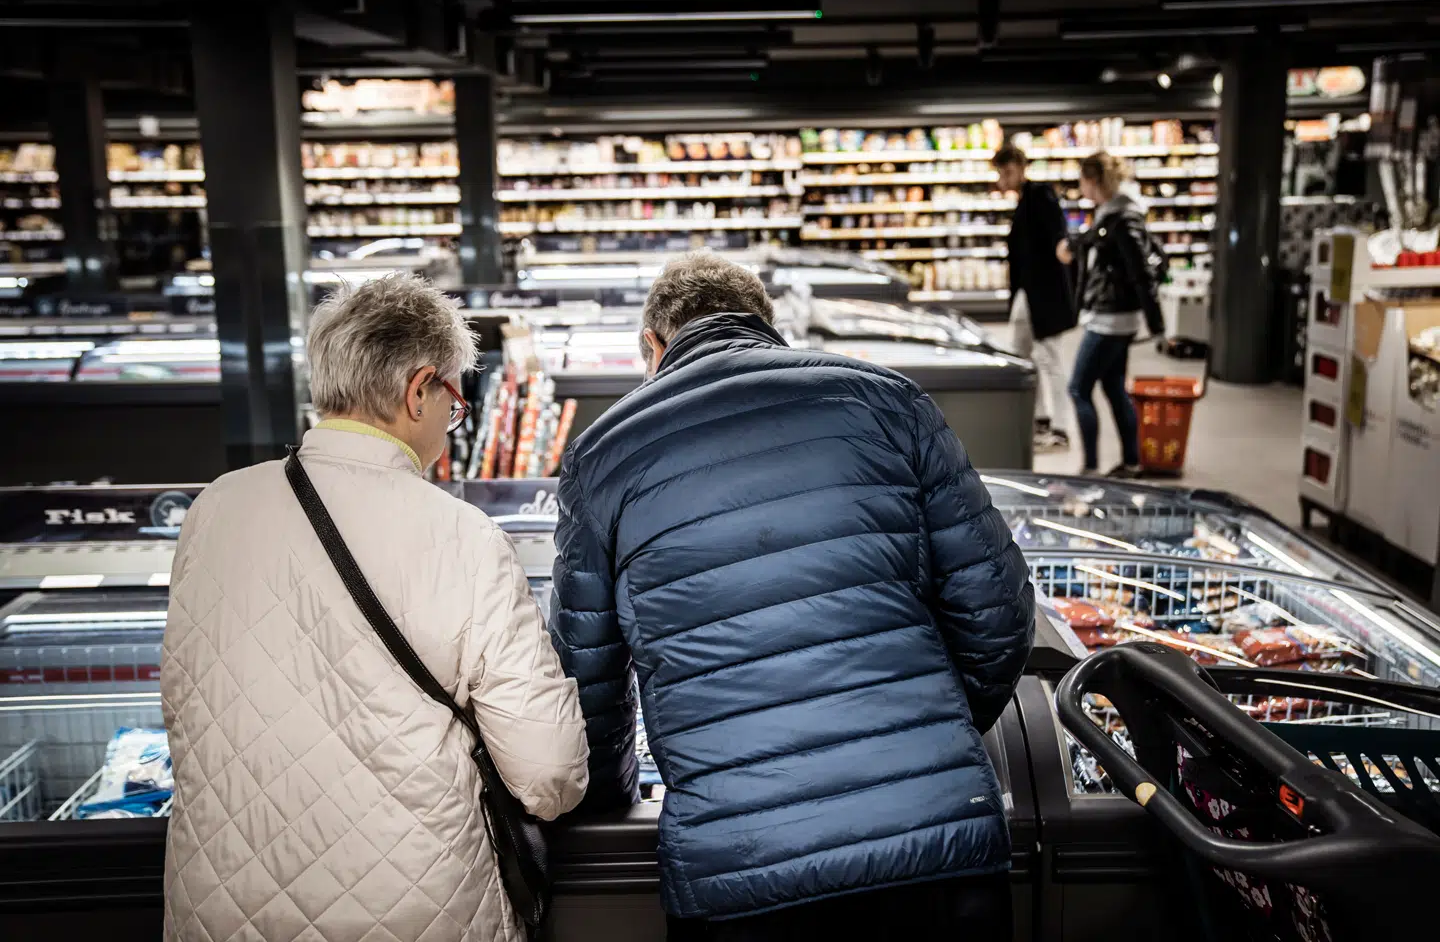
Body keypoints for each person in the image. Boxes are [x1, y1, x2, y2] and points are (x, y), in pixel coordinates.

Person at [548, 252, 1035, 940]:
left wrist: (613, 803)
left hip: (738, 865)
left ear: (652, 347)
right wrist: (926, 737)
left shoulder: (602, 456)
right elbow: (999, 616)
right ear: (765, 327)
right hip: (931, 846)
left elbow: (587, 681)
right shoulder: (890, 399)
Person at [161, 274, 589, 942]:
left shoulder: (215, 508)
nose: (453, 422)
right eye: (454, 401)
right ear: (420, 389)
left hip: (221, 906)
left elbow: (184, 709)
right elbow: (548, 773)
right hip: (416, 911)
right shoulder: (462, 535)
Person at [1060, 152, 1165, 479]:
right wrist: (1075, 245)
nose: (1079, 186)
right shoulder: (1112, 214)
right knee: (1114, 388)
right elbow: (1099, 244)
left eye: (1082, 179)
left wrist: (1159, 326)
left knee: (1078, 388)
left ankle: (1090, 467)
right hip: (1114, 316)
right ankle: (1131, 462)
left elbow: (1140, 274)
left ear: (1093, 181)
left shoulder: (1123, 217)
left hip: (1112, 319)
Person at [994, 143, 1077, 450]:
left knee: (1050, 357)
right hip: (1028, 294)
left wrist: (1061, 245)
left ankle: (1061, 428)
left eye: (1008, 171)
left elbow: (1058, 230)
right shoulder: (1023, 201)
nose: (1004, 178)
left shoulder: (1040, 193)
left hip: (1045, 295)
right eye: (1002, 172)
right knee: (1021, 353)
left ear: (1020, 167)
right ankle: (1040, 417)